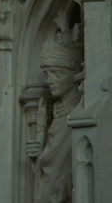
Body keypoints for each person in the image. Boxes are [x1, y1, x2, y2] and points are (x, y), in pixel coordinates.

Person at [26, 30, 83, 203]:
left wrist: (67, 184)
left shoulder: (80, 110)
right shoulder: (57, 109)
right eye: (47, 74)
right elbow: (53, 162)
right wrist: (38, 156)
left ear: (75, 76)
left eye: (58, 74)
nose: (50, 80)